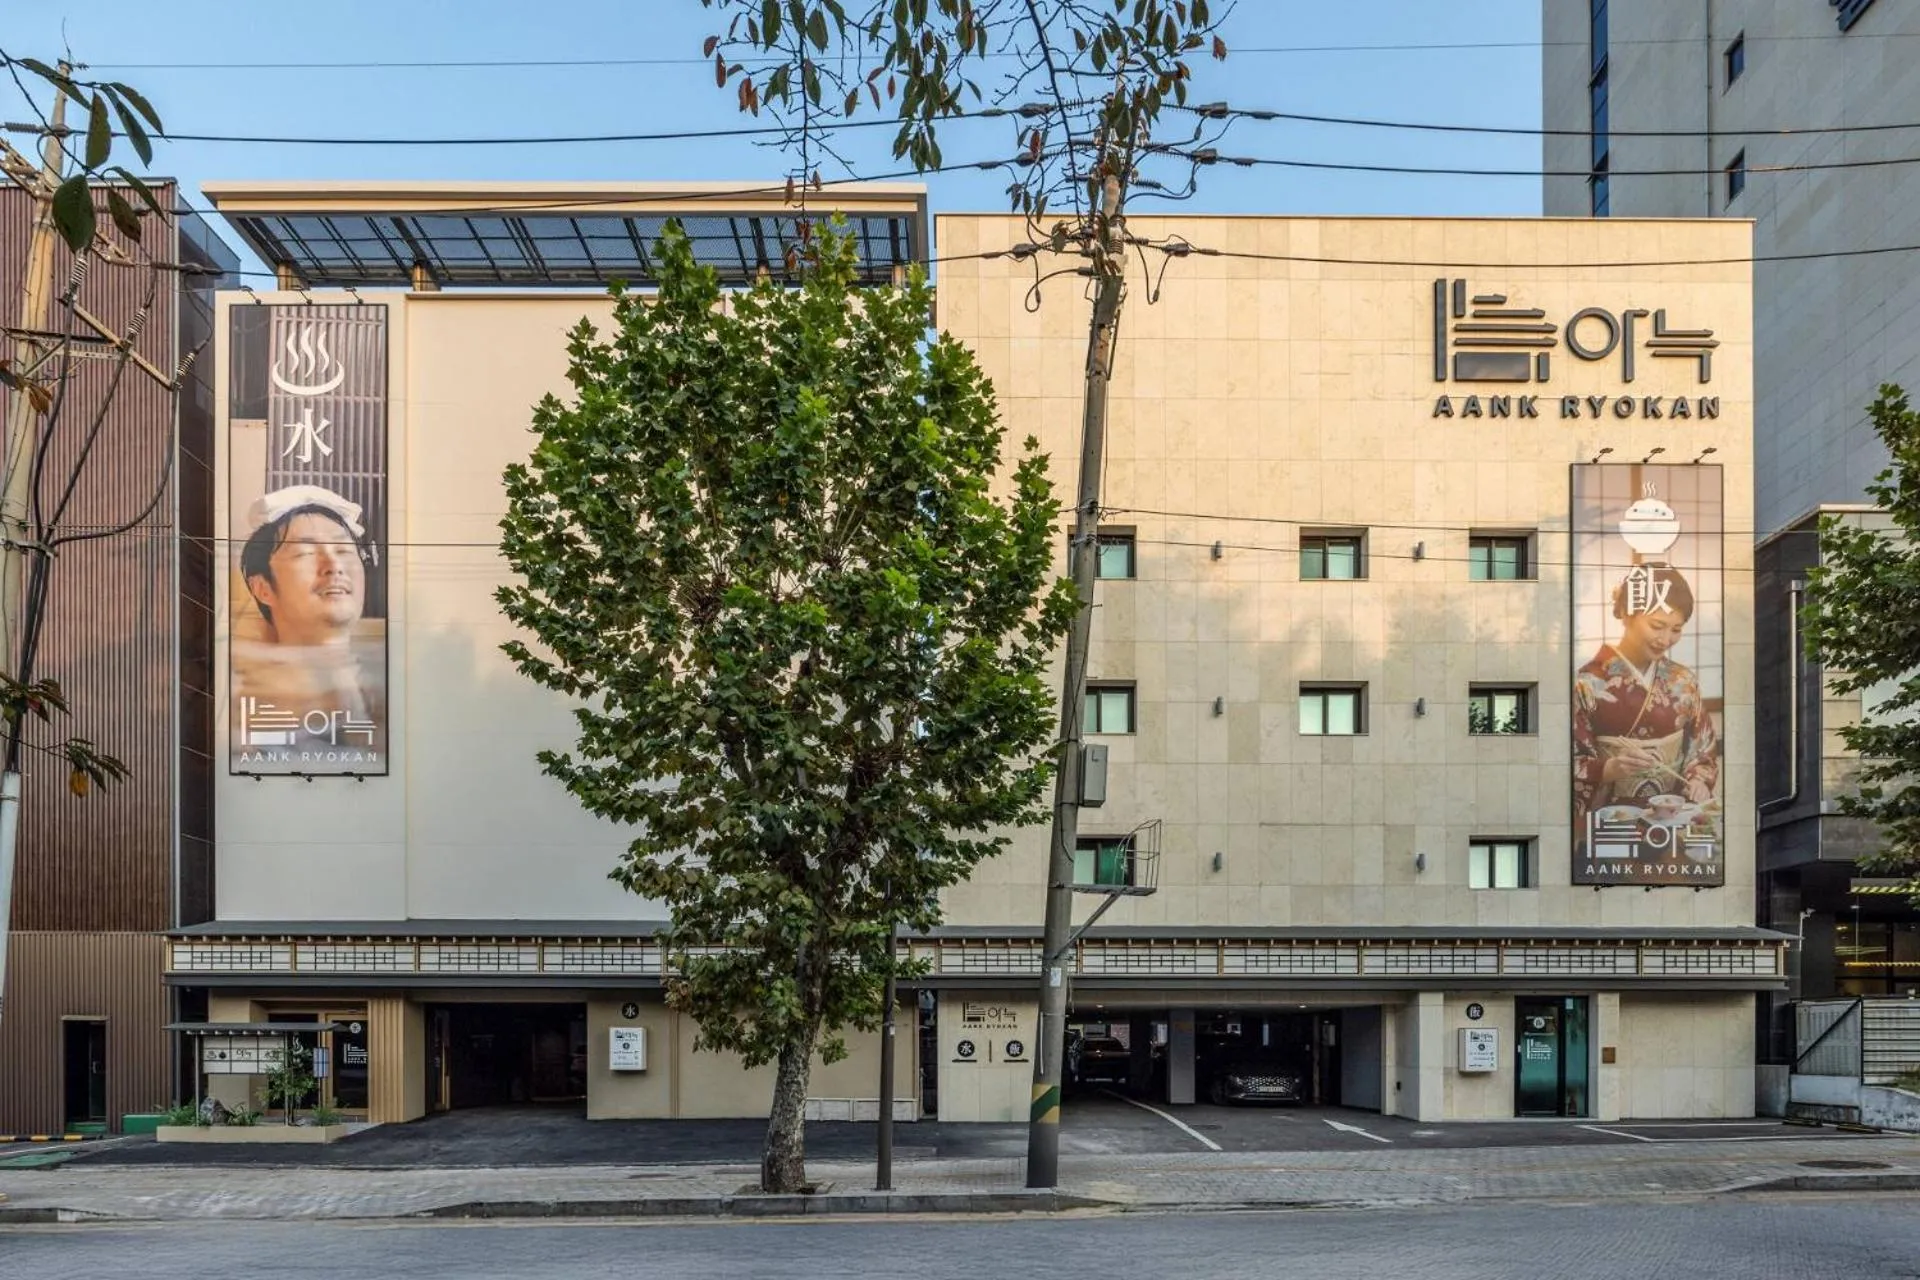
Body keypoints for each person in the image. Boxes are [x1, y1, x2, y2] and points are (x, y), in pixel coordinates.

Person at [233, 485, 383, 752]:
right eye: (306, 553)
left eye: (344, 551)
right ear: (263, 588)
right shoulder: (240, 712)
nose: (334, 566)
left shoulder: (392, 685)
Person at [1573, 563, 1719, 821]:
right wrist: (1608, 769)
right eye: (1657, 625)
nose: (1665, 639)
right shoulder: (1587, 682)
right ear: (1629, 616)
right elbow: (1568, 759)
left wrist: (1698, 780)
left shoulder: (1682, 681)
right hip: (1610, 815)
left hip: (1672, 816)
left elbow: (1701, 750)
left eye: (1676, 629)